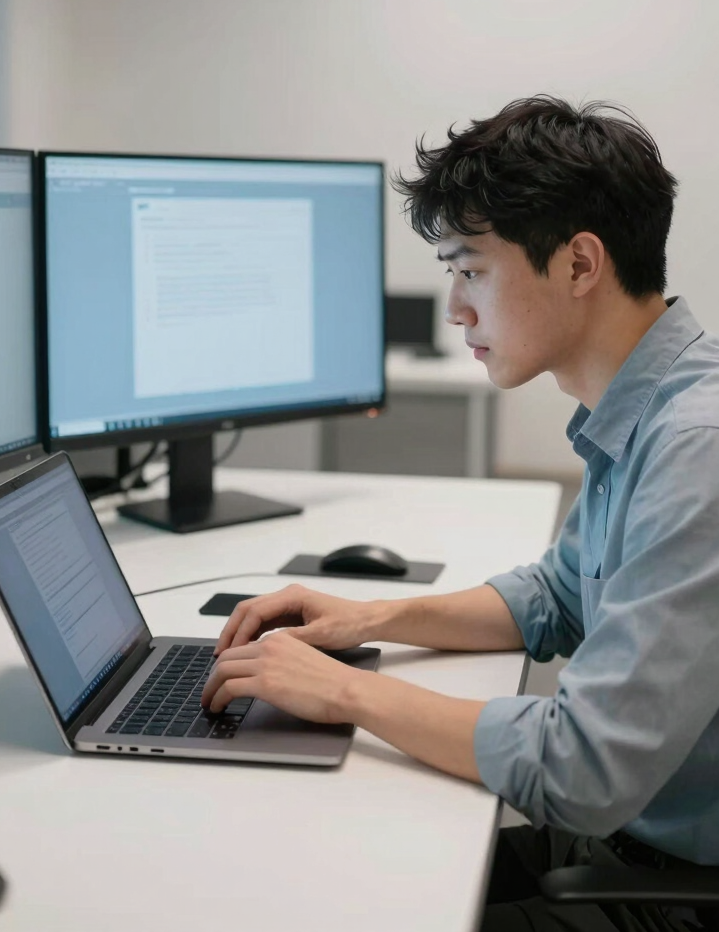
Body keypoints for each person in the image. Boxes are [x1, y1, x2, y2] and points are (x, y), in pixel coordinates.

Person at [201, 96, 719, 931]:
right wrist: (368, 616)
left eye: (471, 269)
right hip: (615, 851)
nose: (455, 308)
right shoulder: (653, 407)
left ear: (580, 264)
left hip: (668, 895)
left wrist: (344, 695)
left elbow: (585, 769)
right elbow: (558, 594)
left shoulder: (699, 449)